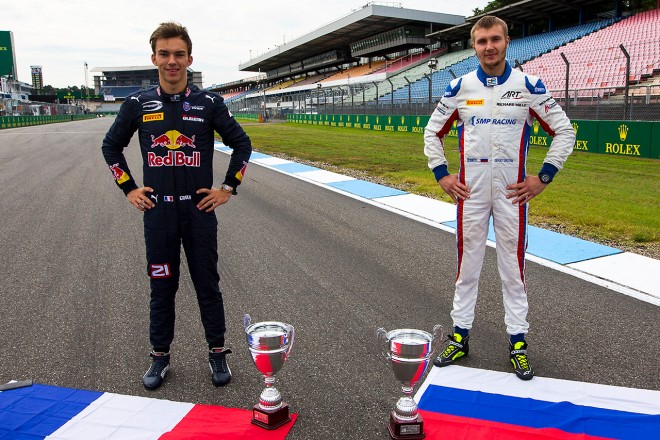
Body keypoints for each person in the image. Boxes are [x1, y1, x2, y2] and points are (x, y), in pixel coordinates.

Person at [101, 22, 252, 390]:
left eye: (179, 54)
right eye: (165, 54)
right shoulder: (137, 104)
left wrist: (227, 188)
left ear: (189, 59)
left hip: (199, 213)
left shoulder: (209, 103)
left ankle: (217, 351)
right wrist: (129, 188)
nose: (172, 61)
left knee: (207, 285)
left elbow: (242, 145)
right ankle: (159, 356)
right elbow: (111, 146)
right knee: (161, 287)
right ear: (154, 58)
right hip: (159, 215)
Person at [423, 16, 575, 380]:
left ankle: (517, 343)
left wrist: (543, 177)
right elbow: (431, 132)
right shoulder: (460, 86)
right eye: (482, 41)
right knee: (467, 268)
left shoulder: (529, 86)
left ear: (507, 41)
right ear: (474, 46)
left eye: (495, 39)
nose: (489, 46)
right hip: (471, 193)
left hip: (512, 194)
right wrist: (442, 175)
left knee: (513, 270)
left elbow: (565, 131)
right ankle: (459, 337)